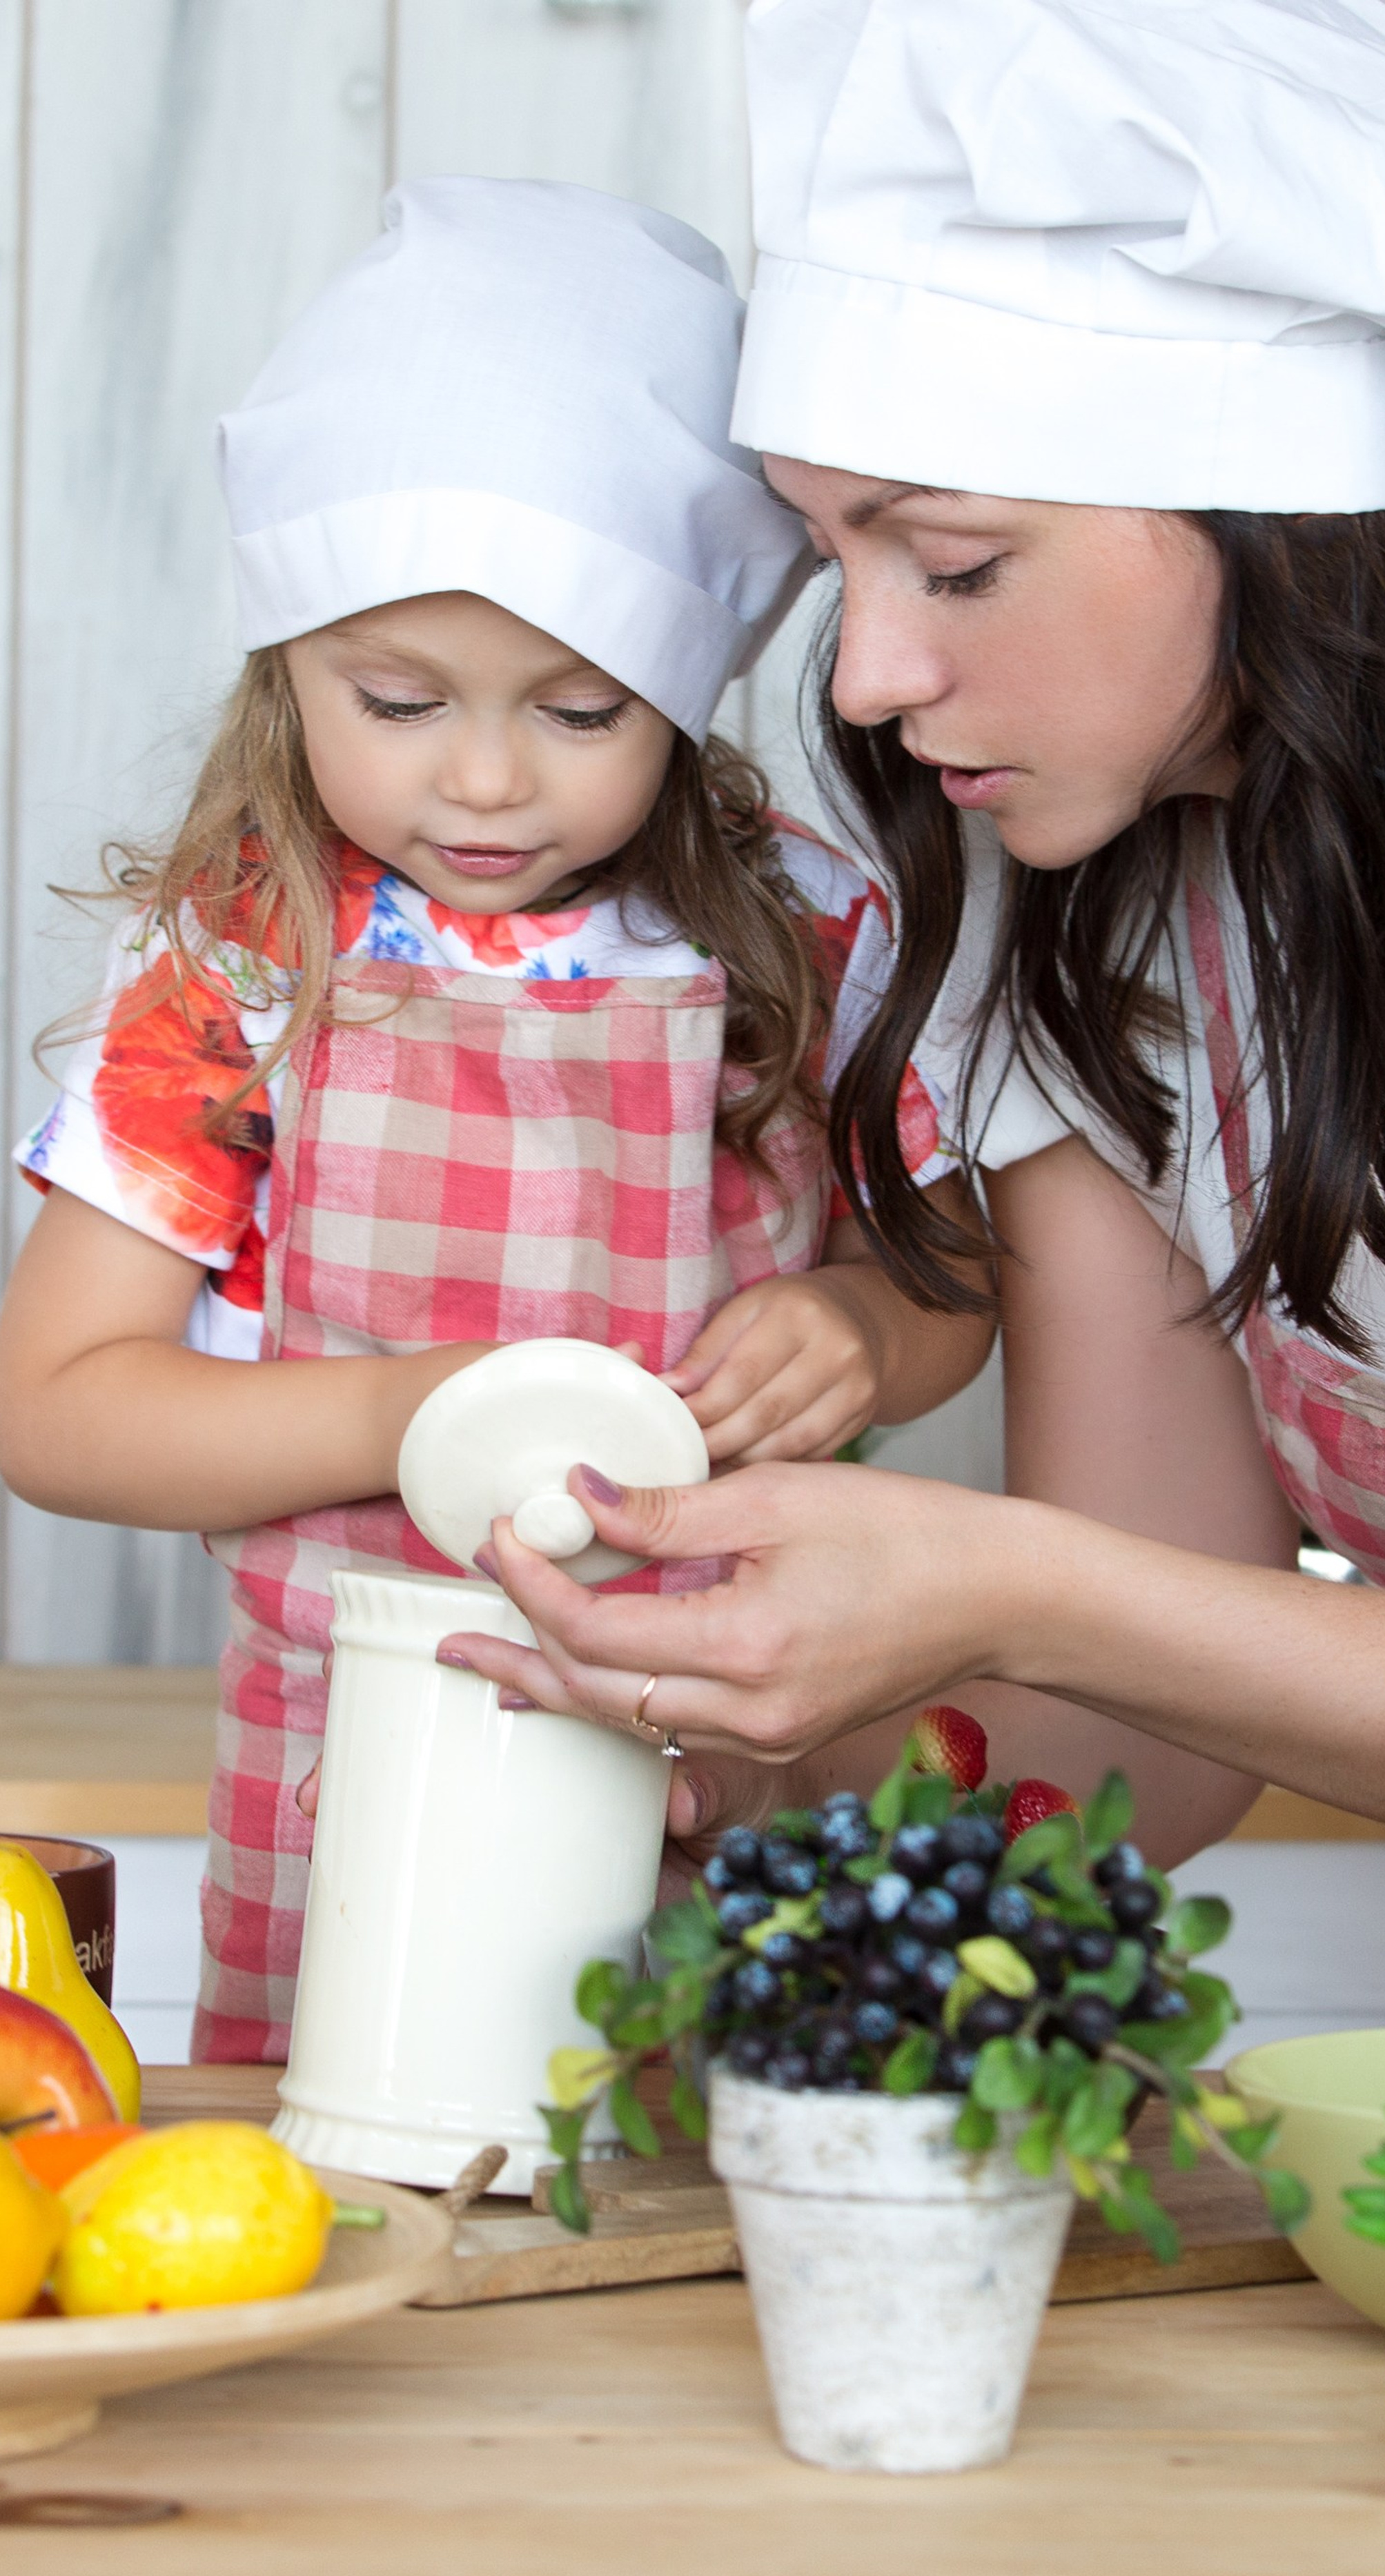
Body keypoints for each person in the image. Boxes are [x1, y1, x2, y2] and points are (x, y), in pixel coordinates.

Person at [441, 0, 1385, 2041]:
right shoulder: (1081, 888)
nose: (865, 676)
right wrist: (735, 1757)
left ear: (1265, 510)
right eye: (836, 556)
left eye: (957, 564)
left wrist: (1016, 1583)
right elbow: (1140, 1740)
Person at [0, 179, 990, 2061]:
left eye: (580, 710)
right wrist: (428, 1413)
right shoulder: (245, 961)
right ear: (288, 658)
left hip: (715, 1737)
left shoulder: (806, 929)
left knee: (689, 2153)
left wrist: (867, 1328)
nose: (480, 778)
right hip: (351, 1745)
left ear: (685, 686)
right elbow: (55, 1406)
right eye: (396, 698)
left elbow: (951, 1286)